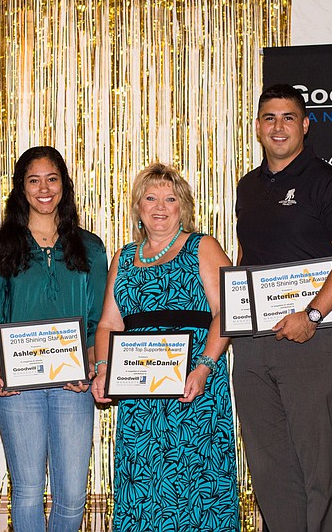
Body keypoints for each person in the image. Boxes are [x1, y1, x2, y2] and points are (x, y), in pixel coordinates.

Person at [231, 84, 332, 531]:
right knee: (271, 473)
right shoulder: (248, 186)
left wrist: (311, 316)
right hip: (254, 347)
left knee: (320, 474)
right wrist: (236, 318)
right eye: (269, 117)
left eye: (288, 117)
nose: (278, 126)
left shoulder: (329, 184)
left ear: (305, 126)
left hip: (314, 341)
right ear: (256, 127)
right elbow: (246, 258)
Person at [91, 163, 238, 531]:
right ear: (138, 206)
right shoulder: (123, 257)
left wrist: (204, 367)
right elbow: (110, 323)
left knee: (196, 486)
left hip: (193, 389)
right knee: (144, 486)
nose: (160, 206)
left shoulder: (202, 246)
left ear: (182, 206)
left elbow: (229, 308)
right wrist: (103, 369)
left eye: (170, 199)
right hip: (138, 397)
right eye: (151, 197)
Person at [0, 146, 107, 532]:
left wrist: (90, 365)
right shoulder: (0, 246)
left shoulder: (90, 247)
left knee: (72, 494)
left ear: (64, 186)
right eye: (33, 180)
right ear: (21, 188)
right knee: (28, 490)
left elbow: (97, 318)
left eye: (52, 179)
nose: (43, 188)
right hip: (19, 387)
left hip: (74, 384)